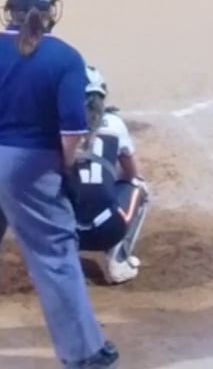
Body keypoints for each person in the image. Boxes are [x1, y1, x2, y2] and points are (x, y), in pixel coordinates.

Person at [0, 0, 118, 368]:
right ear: (51, 14)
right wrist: (64, 166)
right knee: (54, 254)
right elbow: (72, 130)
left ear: (9, 13)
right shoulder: (65, 57)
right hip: (30, 164)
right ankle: (83, 353)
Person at [69, 67, 150, 286]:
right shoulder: (114, 123)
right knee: (139, 186)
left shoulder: (57, 125)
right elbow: (132, 173)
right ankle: (118, 260)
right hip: (108, 230)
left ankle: (57, 260)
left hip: (66, 233)